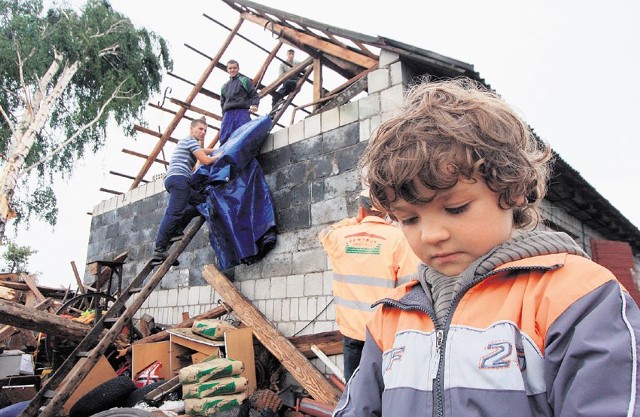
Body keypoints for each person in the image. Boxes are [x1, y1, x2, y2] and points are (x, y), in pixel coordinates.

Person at [333, 78, 640, 417]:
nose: (431, 234)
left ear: (514, 191)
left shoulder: (576, 298)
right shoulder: (391, 317)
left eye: (455, 208)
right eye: (409, 219)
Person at [319, 188, 420, 381]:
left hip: (352, 332)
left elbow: (324, 232)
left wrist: (354, 221)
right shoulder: (398, 238)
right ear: (385, 211)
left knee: (357, 392)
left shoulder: (339, 237)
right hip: (385, 332)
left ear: (361, 209)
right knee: (387, 389)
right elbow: (410, 286)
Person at [151, 117, 222, 266]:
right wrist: (220, 155)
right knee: (174, 212)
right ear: (192, 129)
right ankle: (159, 249)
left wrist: (217, 149)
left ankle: (176, 230)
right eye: (200, 129)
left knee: (200, 202)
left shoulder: (188, 143)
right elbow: (206, 160)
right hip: (179, 179)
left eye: (205, 130)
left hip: (177, 180)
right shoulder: (190, 141)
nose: (203, 132)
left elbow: (203, 151)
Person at [219, 59, 259, 145]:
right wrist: (224, 115)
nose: (232, 70)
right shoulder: (224, 86)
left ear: (238, 69)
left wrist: (255, 105)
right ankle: (224, 156)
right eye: (230, 68)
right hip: (228, 114)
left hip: (242, 111)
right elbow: (222, 102)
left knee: (245, 134)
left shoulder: (245, 80)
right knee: (224, 137)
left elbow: (254, 94)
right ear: (227, 69)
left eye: (234, 68)